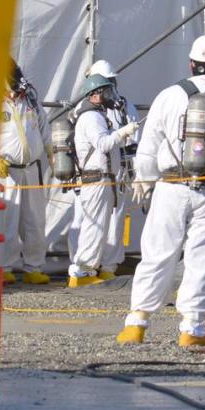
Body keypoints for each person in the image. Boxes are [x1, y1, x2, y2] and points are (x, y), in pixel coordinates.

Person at [117, 35, 205, 347]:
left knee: (157, 252)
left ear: (191, 64)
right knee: (202, 257)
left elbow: (148, 145)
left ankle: (137, 322)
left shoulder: (168, 96)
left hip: (171, 186)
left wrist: (144, 179)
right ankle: (192, 329)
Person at [68, 73, 139, 286]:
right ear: (96, 95)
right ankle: (80, 271)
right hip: (96, 180)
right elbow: (102, 144)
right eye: (107, 91)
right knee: (94, 227)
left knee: (99, 227)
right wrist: (123, 132)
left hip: (103, 180)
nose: (111, 96)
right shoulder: (91, 117)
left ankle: (88, 271)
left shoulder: (98, 115)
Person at [0, 60, 52, 285]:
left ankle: (33, 267)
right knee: (7, 220)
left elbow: (43, 125)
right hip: (6, 171)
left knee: (35, 220)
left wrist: (51, 153)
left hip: (31, 169)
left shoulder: (29, 96)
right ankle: (3, 267)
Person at [85, 60, 140, 278]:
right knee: (90, 221)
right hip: (96, 170)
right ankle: (87, 265)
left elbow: (136, 138)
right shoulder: (89, 111)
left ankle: (109, 265)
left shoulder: (125, 106)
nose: (111, 87)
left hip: (120, 168)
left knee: (117, 219)